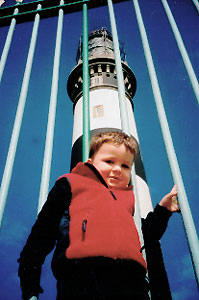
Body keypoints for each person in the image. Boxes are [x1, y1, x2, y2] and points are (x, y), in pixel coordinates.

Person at [18, 131, 179, 300]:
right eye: (109, 161)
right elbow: (42, 234)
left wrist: (164, 209)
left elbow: (147, 234)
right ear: (90, 162)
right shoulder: (71, 184)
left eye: (125, 166)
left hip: (132, 281)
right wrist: (30, 287)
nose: (117, 169)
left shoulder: (126, 200)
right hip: (82, 278)